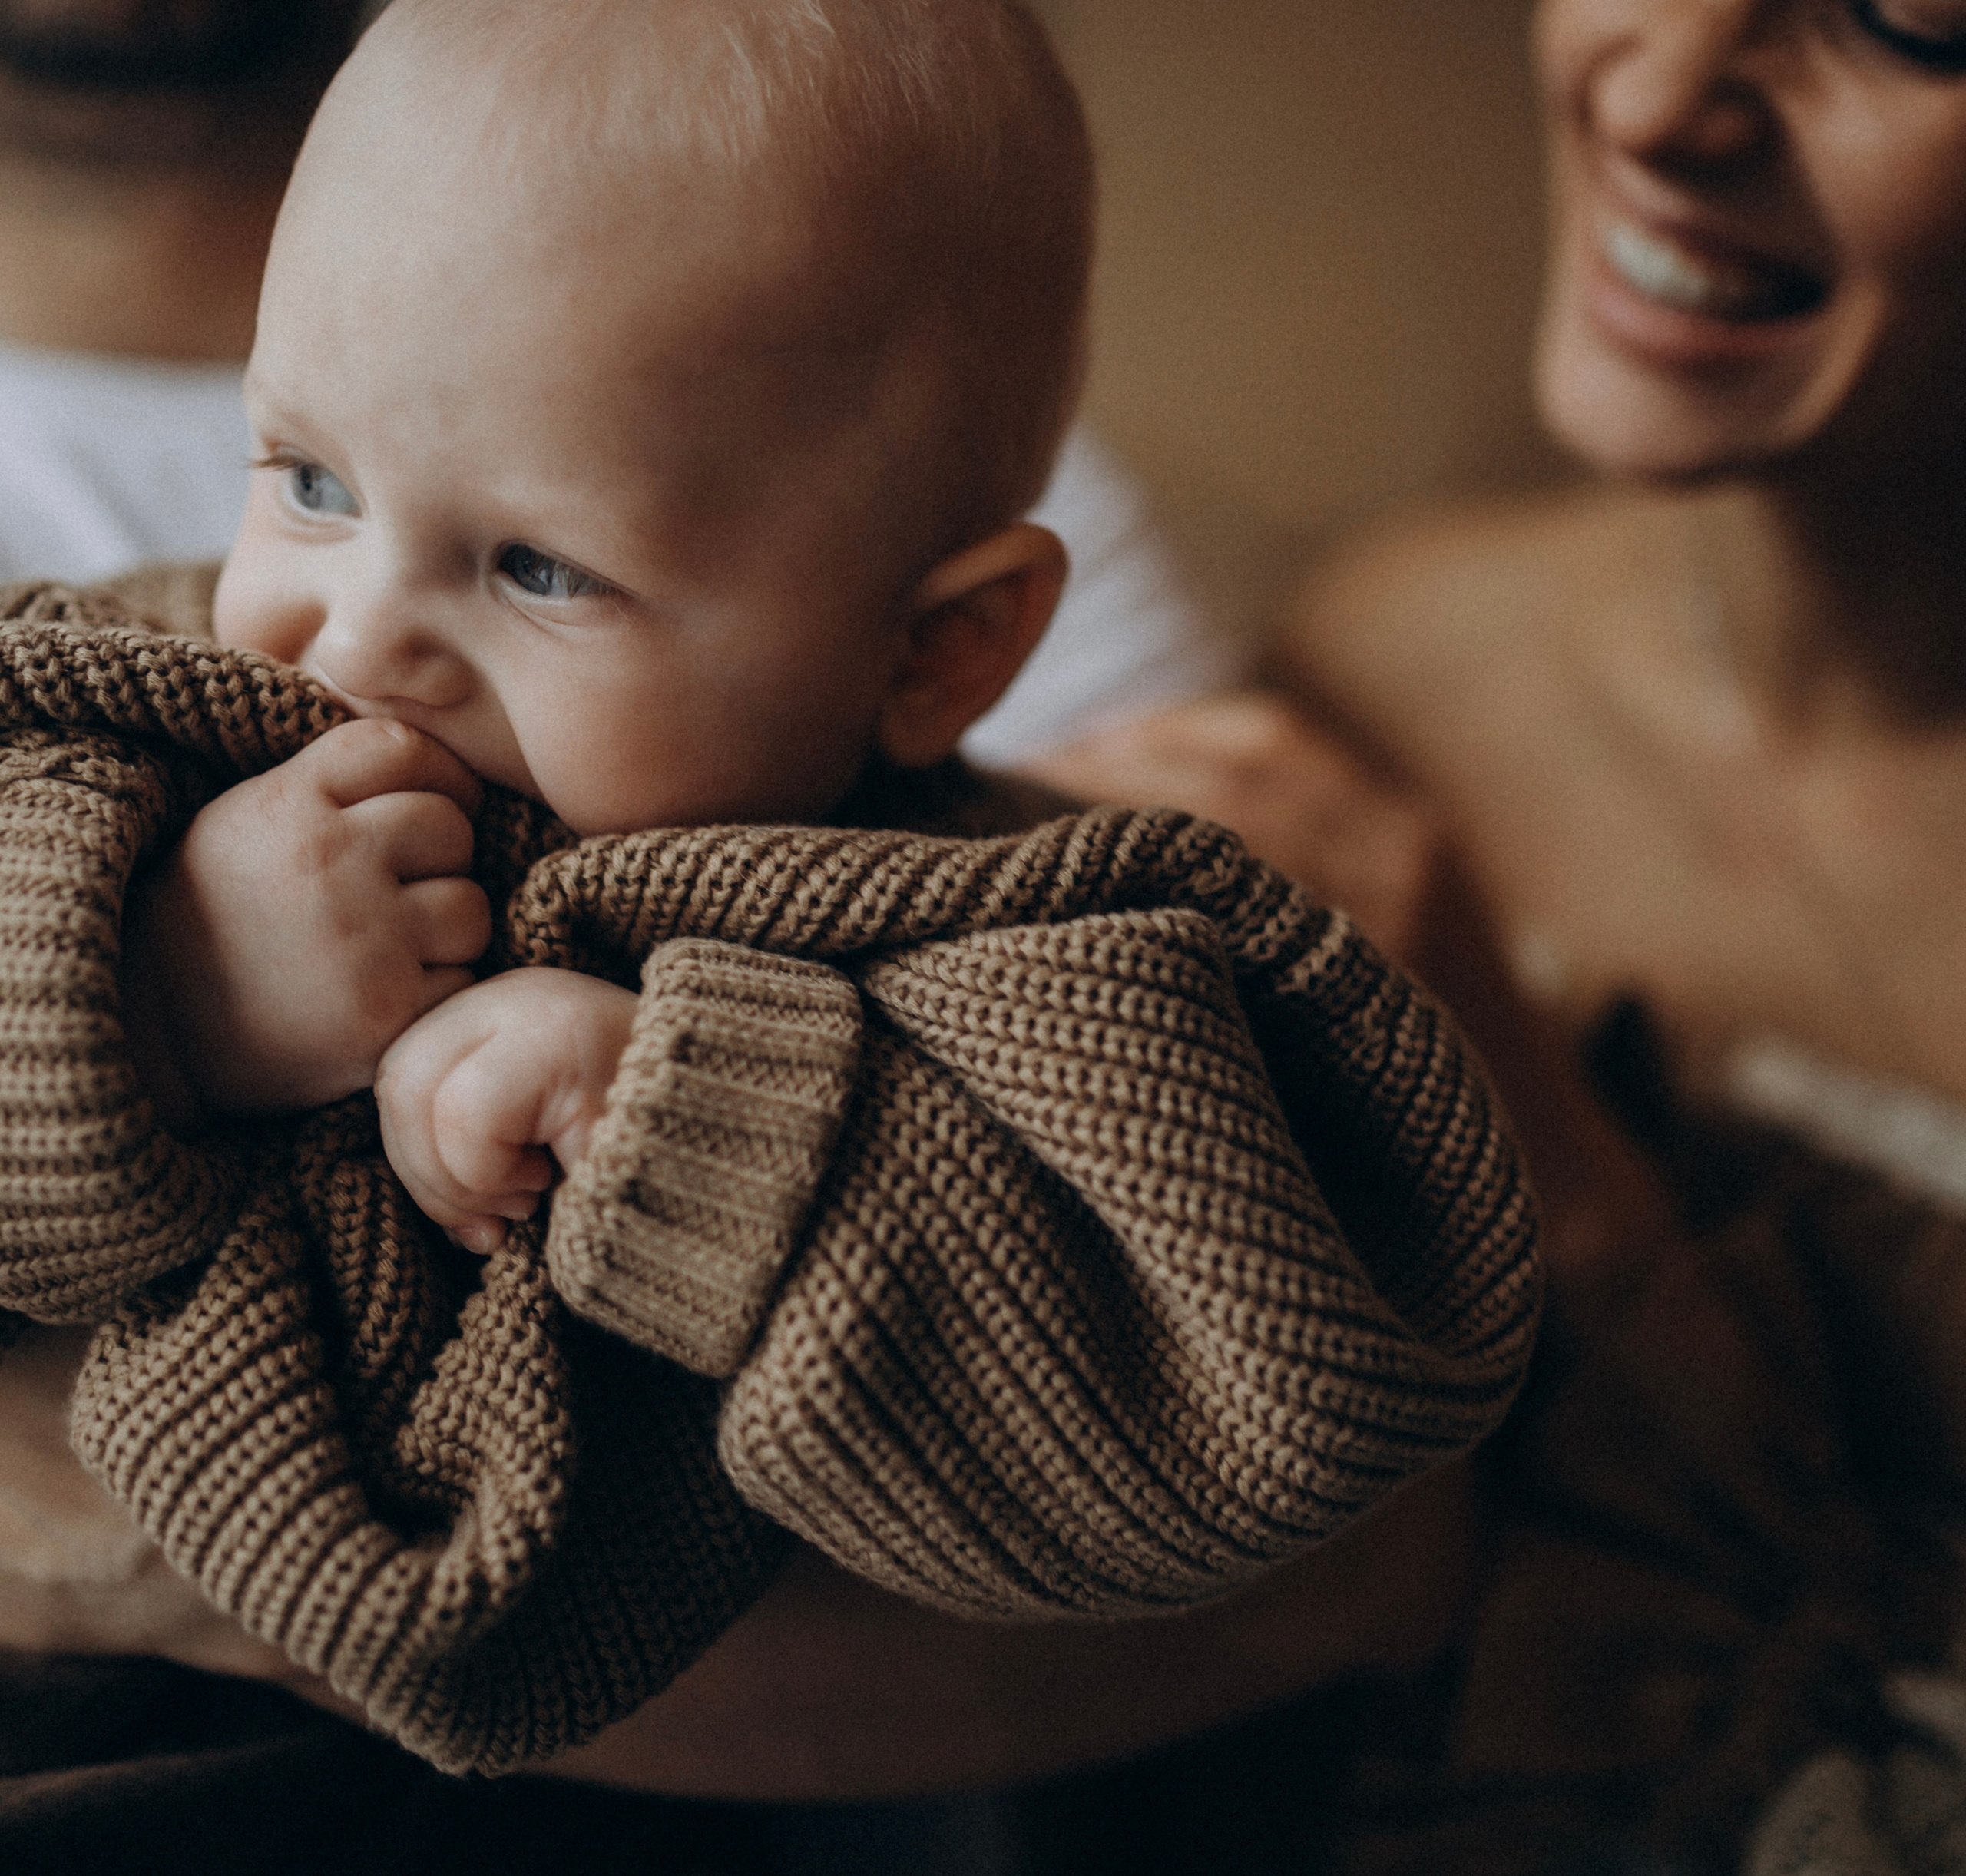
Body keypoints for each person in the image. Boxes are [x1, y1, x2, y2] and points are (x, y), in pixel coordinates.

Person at [0, 0, 1544, 1846]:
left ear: (935, 648)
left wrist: (685, 1101)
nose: (355, 631)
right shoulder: (127, 724)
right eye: (311, 483)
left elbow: (1248, 1401)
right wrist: (160, 997)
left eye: (538, 566)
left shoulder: (1027, 939)